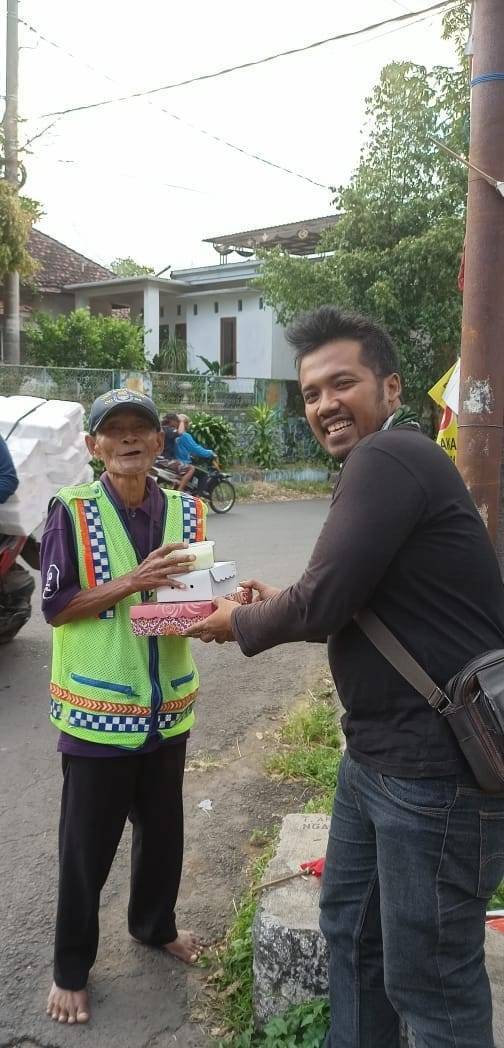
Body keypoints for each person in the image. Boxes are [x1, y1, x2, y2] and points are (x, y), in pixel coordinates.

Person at [185, 307, 504, 1048]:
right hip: (378, 761)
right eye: (311, 393)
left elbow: (323, 602)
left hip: (435, 778)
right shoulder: (392, 462)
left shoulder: (388, 459)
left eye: (343, 383)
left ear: (390, 386)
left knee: (430, 982)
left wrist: (236, 621)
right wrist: (273, 601)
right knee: (354, 937)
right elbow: (349, 590)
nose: (325, 404)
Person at [41, 388, 207, 1026]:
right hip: (97, 714)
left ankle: (153, 926)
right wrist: (132, 582)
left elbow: (190, 606)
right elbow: (57, 606)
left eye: (143, 428)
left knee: (163, 834)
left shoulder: (190, 514)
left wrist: (228, 601)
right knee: (86, 849)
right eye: (116, 431)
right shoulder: (72, 511)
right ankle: (70, 969)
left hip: (168, 711)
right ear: (94, 447)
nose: (130, 438)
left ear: (160, 442)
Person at [158, 412, 195, 492]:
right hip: (166, 460)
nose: (178, 423)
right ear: (171, 421)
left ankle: (176, 484)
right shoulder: (169, 429)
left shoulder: (160, 429)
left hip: (159, 459)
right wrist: (182, 421)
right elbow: (180, 432)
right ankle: (180, 490)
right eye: (176, 421)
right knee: (191, 468)